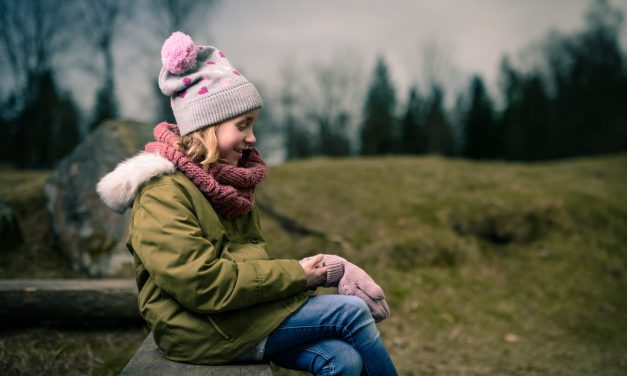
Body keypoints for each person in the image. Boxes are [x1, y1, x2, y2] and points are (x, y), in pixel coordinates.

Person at [97, 31, 398, 376]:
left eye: (252, 125)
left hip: (237, 316)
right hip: (198, 330)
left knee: (343, 360)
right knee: (350, 312)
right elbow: (203, 284)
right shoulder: (162, 194)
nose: (252, 138)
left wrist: (317, 269)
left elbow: (247, 262)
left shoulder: (227, 184)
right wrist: (301, 274)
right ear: (207, 126)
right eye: (243, 125)